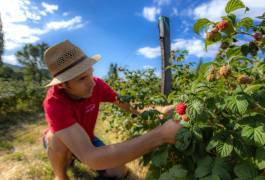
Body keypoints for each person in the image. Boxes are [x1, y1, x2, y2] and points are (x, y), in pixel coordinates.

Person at [42, 40, 182, 180]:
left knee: (119, 173)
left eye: (91, 73)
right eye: (82, 78)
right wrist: (161, 135)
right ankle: (60, 175)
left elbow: (129, 104)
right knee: (54, 138)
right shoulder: (54, 103)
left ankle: (74, 159)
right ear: (62, 85)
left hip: (87, 138)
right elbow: (92, 157)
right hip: (65, 141)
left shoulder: (97, 85)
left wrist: (160, 111)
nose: (92, 82)